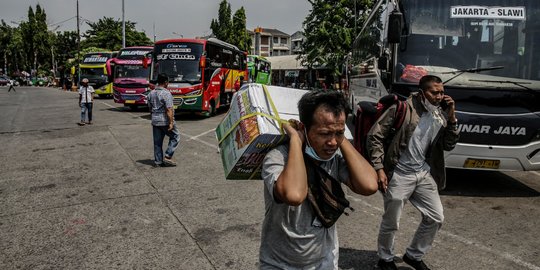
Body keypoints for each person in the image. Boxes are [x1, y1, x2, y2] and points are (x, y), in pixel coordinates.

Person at [259, 90, 378, 269]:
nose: (332, 142)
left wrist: (339, 136)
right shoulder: (278, 158)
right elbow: (294, 195)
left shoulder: (334, 158)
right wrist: (296, 141)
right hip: (279, 264)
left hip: (325, 261)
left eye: (339, 133)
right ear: (303, 128)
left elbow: (369, 185)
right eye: (324, 133)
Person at [367, 75, 459, 270]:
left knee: (436, 217)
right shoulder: (402, 108)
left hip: (423, 173)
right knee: (392, 221)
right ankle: (385, 259)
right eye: (435, 92)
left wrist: (451, 119)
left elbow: (448, 145)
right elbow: (374, 136)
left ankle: (413, 255)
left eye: (442, 92)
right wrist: (379, 168)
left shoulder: (440, 115)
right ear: (422, 92)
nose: (440, 96)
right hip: (399, 173)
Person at [147, 73, 180, 167]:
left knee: (157, 142)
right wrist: (171, 123)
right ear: (165, 82)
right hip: (165, 120)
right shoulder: (166, 93)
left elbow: (150, 108)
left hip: (155, 121)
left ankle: (158, 161)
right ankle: (168, 156)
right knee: (175, 136)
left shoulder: (151, 93)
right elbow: (169, 109)